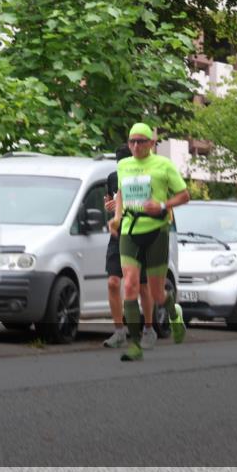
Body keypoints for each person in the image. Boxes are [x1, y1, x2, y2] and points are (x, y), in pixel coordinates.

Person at [110, 123, 190, 362]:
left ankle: (173, 312)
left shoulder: (163, 165)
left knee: (156, 294)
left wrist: (163, 205)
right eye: (131, 141)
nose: (135, 146)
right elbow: (121, 193)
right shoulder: (123, 165)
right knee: (130, 285)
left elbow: (185, 195)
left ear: (151, 143)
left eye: (140, 142)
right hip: (129, 229)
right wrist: (116, 218)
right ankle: (135, 344)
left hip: (156, 230)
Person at [102, 145, 155, 349]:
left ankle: (148, 330)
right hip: (118, 236)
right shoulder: (113, 178)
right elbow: (110, 202)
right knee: (113, 283)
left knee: (142, 286)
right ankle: (119, 331)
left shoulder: (147, 177)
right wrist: (109, 207)